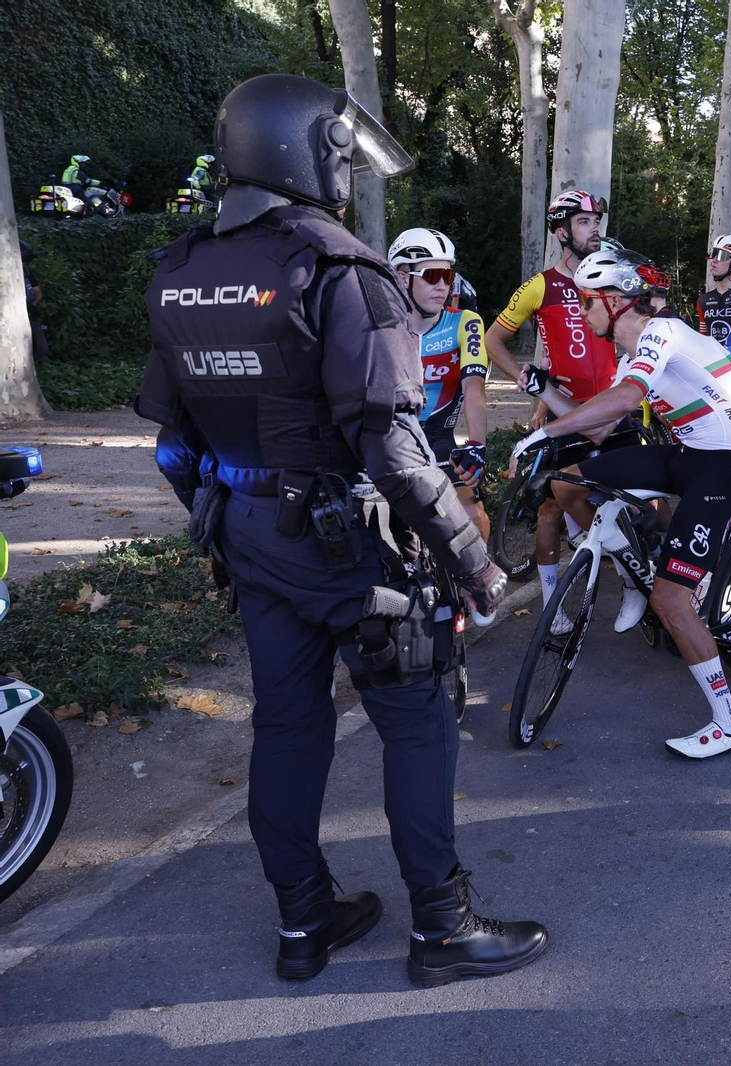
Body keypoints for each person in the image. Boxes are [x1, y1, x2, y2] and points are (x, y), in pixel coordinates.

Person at [137, 73, 543, 989]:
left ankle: (303, 921)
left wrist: (231, 525)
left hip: (247, 535)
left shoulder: (181, 270)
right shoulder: (339, 269)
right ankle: (442, 930)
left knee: (285, 725)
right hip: (346, 543)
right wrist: (476, 564)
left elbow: (172, 449)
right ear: (309, 149)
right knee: (419, 719)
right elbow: (397, 453)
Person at [510, 248, 731, 759]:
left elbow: (625, 401)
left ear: (618, 301)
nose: (580, 312)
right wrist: (545, 392)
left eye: (586, 301)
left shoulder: (661, 332)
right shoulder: (631, 358)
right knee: (568, 483)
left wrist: (546, 434)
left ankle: (729, 723)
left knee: (671, 601)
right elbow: (600, 423)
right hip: (689, 453)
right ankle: (630, 577)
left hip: (723, 463)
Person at [486, 190, 620, 616]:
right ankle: (552, 610)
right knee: (548, 513)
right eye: (584, 222)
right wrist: (529, 383)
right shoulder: (541, 285)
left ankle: (646, 589)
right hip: (570, 411)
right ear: (561, 232)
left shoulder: (613, 273)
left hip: (617, 408)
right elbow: (492, 340)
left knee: (641, 504)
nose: (594, 227)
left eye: (596, 220)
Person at [387, 227, 492, 542]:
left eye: (449, 276)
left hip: (438, 439)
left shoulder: (465, 323)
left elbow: (474, 392)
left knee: (473, 515)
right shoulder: (381, 326)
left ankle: (477, 588)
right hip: (388, 442)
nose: (443, 285)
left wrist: (476, 445)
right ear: (403, 277)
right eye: (433, 275)